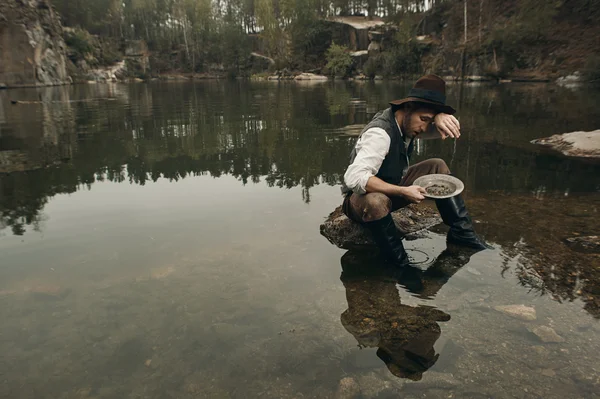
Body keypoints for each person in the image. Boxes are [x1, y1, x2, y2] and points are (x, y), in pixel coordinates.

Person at [341, 74, 490, 266]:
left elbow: (442, 129)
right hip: (360, 201)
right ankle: (399, 263)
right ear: (408, 108)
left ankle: (462, 234)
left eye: (429, 121)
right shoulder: (380, 133)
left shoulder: (409, 122)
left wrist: (439, 116)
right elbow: (354, 178)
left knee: (438, 165)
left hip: (391, 187)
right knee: (377, 201)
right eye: (424, 119)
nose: (425, 127)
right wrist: (403, 191)